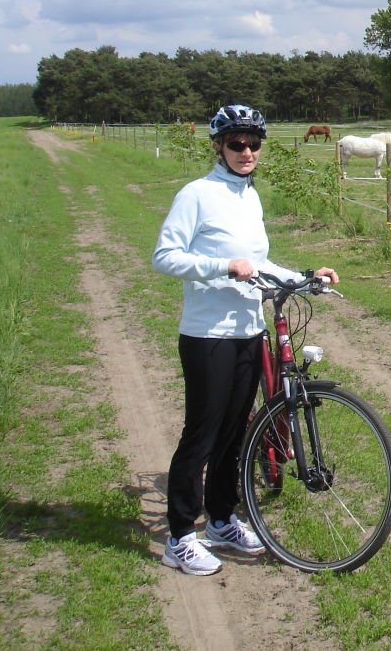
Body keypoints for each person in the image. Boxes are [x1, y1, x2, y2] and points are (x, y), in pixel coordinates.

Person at [153, 104, 339, 575]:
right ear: (219, 146)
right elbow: (165, 257)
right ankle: (180, 536)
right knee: (202, 434)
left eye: (254, 143)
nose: (246, 151)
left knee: (236, 433)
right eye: (236, 143)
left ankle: (221, 518)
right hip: (207, 335)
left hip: (247, 331)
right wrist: (220, 267)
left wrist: (303, 275)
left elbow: (258, 262)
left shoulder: (248, 197)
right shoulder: (197, 194)